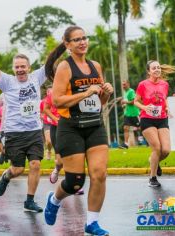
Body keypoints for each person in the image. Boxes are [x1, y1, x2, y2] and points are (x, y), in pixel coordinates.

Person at [43, 26, 113, 236]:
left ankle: (92, 222)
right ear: (67, 45)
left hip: (95, 126)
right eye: (76, 40)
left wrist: (106, 94)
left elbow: (98, 102)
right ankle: (54, 200)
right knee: (75, 182)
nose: (82, 42)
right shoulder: (65, 67)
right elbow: (56, 101)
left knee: (99, 174)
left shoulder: (95, 66)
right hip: (70, 128)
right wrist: (85, 93)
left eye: (84, 38)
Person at [0, 44, 47, 213]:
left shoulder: (37, 78)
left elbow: (50, 63)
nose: (20, 69)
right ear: (13, 69)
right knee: (18, 169)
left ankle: (30, 200)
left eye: (23, 66)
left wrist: (64, 46)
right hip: (14, 132)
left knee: (35, 164)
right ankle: (6, 176)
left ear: (29, 67)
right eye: (17, 67)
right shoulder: (7, 82)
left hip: (34, 130)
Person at [134, 60, 175, 187]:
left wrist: (167, 108)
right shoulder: (143, 84)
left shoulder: (165, 84)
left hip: (162, 118)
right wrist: (144, 107)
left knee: (166, 150)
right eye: (154, 68)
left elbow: (165, 99)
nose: (157, 69)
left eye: (158, 67)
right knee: (157, 147)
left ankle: (154, 162)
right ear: (149, 71)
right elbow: (136, 101)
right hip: (147, 119)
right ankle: (152, 178)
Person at [118, 80, 141, 149]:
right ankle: (126, 144)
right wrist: (123, 103)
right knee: (125, 128)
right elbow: (127, 101)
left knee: (141, 128)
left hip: (134, 113)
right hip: (127, 114)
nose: (123, 86)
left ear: (128, 84)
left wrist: (125, 102)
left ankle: (149, 141)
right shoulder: (125, 92)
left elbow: (134, 101)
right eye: (122, 85)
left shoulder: (131, 91)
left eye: (124, 84)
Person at [40, 90, 53, 160]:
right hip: (47, 123)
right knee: (48, 141)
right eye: (48, 91)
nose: (50, 92)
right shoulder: (43, 101)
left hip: (56, 122)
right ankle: (49, 150)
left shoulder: (57, 99)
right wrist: (42, 116)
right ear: (47, 93)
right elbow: (40, 112)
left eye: (51, 91)